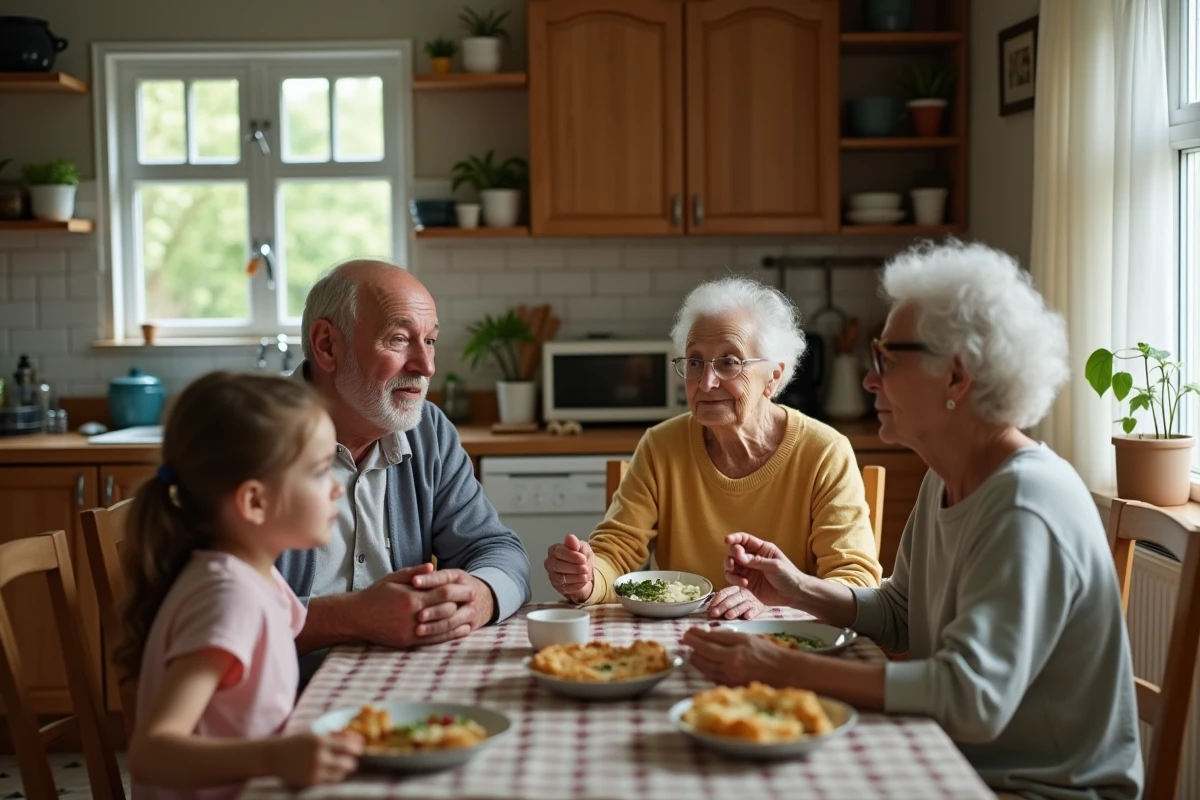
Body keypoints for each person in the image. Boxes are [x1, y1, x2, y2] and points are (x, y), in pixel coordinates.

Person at [684, 240, 1143, 799]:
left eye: (887, 360)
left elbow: (970, 698)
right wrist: (799, 589)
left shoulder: (1026, 504)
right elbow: (902, 614)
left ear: (956, 376)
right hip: (957, 759)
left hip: (1035, 788)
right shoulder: (944, 477)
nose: (869, 380)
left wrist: (786, 669)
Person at [545, 276, 882, 620]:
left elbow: (853, 580)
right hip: (676, 641)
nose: (706, 383)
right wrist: (586, 578)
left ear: (774, 377)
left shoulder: (824, 452)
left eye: (729, 362)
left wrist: (779, 601)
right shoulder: (661, 446)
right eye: (694, 362)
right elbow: (615, 554)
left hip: (787, 644)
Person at [119, 372, 361, 799]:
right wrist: (272, 757)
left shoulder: (259, 578)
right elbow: (151, 752)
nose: (338, 487)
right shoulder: (229, 598)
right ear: (254, 502)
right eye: (322, 471)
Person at [278, 259, 531, 660]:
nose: (426, 366)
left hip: (397, 685)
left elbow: (496, 548)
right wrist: (349, 618)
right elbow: (207, 608)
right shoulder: (248, 440)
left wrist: (481, 594)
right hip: (276, 702)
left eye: (429, 341)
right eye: (398, 339)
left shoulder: (428, 430)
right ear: (327, 345)